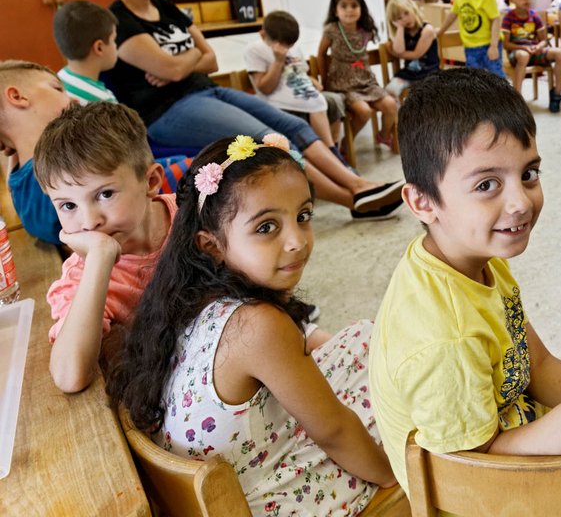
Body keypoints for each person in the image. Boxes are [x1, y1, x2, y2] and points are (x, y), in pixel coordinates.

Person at [370, 68, 561, 496]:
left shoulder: (477, 256)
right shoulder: (445, 339)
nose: (520, 203)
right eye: (487, 184)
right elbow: (473, 471)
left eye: (529, 174)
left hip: (513, 427)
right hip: (490, 491)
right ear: (422, 201)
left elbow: (539, 364)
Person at [107, 135, 398, 516]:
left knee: (367, 340)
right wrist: (395, 478)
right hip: (268, 497)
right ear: (212, 245)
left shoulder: (186, 296)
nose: (297, 240)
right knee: (404, 395)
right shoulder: (258, 325)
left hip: (235, 474)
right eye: (266, 228)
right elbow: (335, 432)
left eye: (303, 216)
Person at [94, 0, 402, 219]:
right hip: (168, 110)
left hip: (206, 90)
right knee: (268, 139)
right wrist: (187, 60)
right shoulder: (120, 21)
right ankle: (354, 202)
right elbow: (178, 68)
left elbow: (210, 59)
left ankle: (358, 184)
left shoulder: (166, 9)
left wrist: (179, 64)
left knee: (291, 125)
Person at [33, 102, 178, 393]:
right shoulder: (83, 276)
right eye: (68, 205)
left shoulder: (195, 216)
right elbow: (69, 377)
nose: (89, 222)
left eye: (105, 194)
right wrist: (99, 258)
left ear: (150, 181)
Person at [0, 61, 190, 246]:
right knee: (194, 165)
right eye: (58, 89)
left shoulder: (19, 182)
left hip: (142, 177)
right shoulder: (56, 179)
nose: (73, 99)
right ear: (17, 96)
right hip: (150, 196)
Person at [244, 10, 346, 158]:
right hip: (277, 100)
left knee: (334, 101)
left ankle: (332, 150)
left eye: (290, 45)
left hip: (299, 91)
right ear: (263, 35)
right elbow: (264, 88)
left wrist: (312, 80)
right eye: (285, 46)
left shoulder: (293, 47)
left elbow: (299, 71)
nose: (288, 49)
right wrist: (278, 61)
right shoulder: (254, 50)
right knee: (309, 110)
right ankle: (329, 156)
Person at [317, 0, 398, 153]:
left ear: (361, 8)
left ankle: (383, 135)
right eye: (344, 6)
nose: (349, 10)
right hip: (342, 84)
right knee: (364, 111)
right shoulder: (332, 30)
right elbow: (321, 54)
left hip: (365, 81)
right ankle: (347, 145)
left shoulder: (365, 29)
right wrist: (324, 81)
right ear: (335, 10)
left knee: (391, 104)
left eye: (354, 5)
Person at [501, 0, 561, 112]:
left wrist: (539, 47)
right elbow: (506, 44)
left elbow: (544, 40)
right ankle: (516, 99)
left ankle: (556, 94)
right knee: (523, 56)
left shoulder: (534, 16)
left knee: (559, 53)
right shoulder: (509, 18)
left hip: (535, 52)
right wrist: (523, 48)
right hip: (517, 53)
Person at [439, 0, 503, 78]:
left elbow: (496, 19)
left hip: (488, 45)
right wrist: (440, 31)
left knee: (496, 77)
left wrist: (494, 45)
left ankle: (504, 97)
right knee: (473, 79)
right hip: (471, 48)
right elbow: (452, 15)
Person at [52, 0, 119, 104]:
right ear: (99, 48)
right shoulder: (105, 104)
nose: (116, 45)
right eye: (114, 40)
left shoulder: (58, 79)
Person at [382, 0, 439, 98]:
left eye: (406, 13)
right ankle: (397, 114)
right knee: (390, 90)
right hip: (409, 73)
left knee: (424, 95)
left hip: (429, 73)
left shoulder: (427, 30)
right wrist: (399, 28)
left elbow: (416, 54)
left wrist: (397, 54)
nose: (405, 19)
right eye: (399, 18)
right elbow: (399, 49)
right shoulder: (403, 32)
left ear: (413, 9)